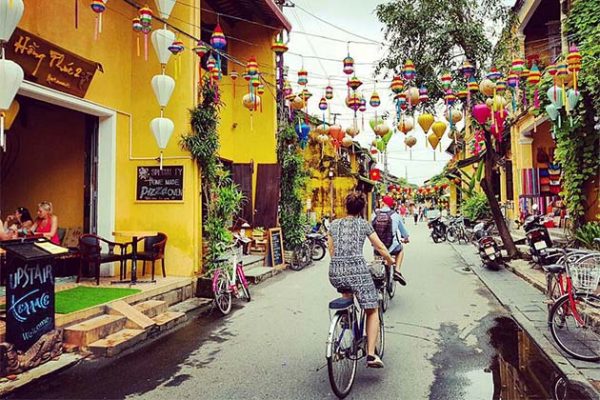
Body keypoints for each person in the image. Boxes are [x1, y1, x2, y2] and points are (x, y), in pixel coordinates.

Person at [328, 192, 394, 369]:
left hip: (335, 272)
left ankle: (346, 321)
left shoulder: (334, 225)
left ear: (345, 206)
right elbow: (379, 246)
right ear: (362, 208)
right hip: (357, 270)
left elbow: (331, 249)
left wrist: (340, 263)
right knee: (371, 309)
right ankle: (371, 355)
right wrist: (389, 260)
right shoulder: (363, 224)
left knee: (347, 296)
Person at [372, 195, 410, 285]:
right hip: (392, 247)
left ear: (383, 203)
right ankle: (397, 271)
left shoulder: (375, 215)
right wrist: (406, 238)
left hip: (378, 247)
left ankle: (377, 273)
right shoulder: (396, 215)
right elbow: (404, 232)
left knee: (377, 257)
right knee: (400, 249)